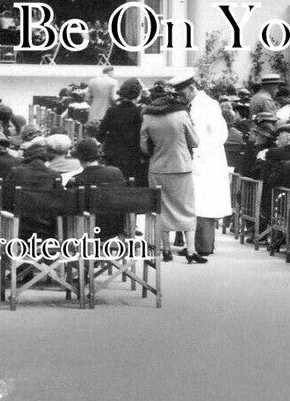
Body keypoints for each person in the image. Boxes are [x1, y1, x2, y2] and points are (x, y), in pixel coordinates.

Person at [139, 79, 199, 263]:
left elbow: (144, 147)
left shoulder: (147, 116)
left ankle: (166, 249)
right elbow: (195, 141)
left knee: (161, 208)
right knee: (187, 208)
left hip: (157, 167)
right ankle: (190, 250)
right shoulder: (181, 114)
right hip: (181, 166)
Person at [185, 74, 232, 261]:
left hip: (207, 162)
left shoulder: (208, 105)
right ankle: (198, 245)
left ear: (192, 89)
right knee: (197, 204)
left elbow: (220, 134)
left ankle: (203, 246)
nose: (182, 97)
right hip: (200, 161)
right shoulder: (195, 105)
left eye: (183, 93)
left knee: (204, 206)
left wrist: (200, 152)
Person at [67, 138, 126, 238]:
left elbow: (69, 207)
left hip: (88, 229)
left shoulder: (76, 180)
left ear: (79, 158)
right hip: (117, 227)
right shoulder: (116, 173)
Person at [98, 78, 145, 186]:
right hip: (133, 158)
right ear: (137, 94)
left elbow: (100, 135)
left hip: (112, 157)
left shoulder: (112, 111)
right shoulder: (139, 113)